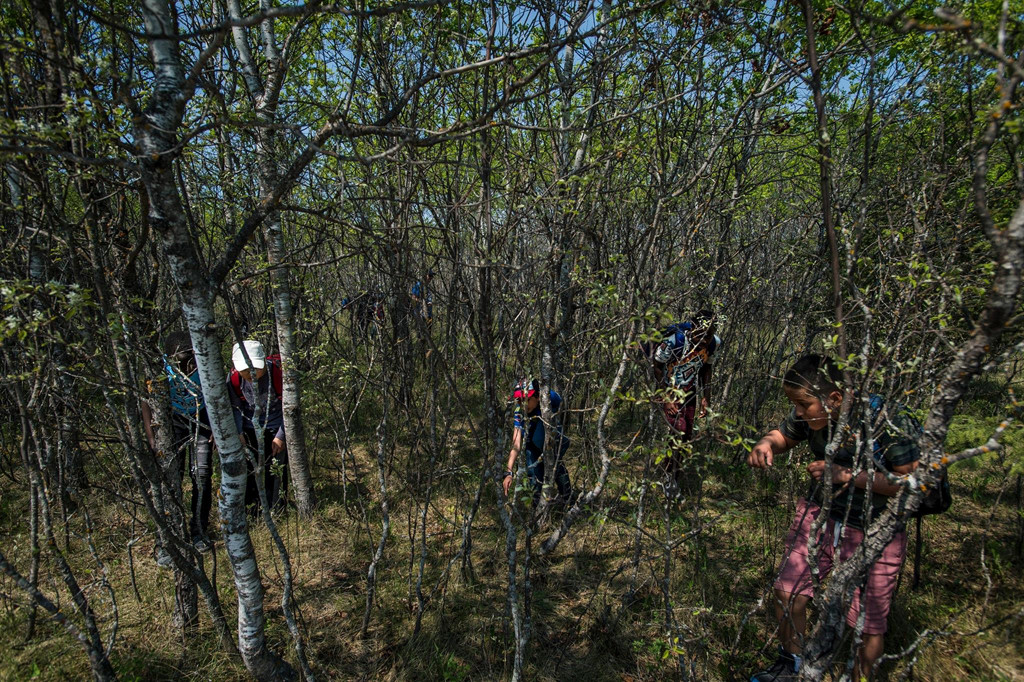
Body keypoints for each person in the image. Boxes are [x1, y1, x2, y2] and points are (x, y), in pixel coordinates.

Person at [747, 354, 920, 681]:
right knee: (787, 591)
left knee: (866, 624)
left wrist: (846, 475)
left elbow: (910, 481)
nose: (798, 411)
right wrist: (766, 443)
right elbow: (785, 434)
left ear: (835, 398)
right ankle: (790, 665)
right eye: (794, 403)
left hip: (876, 530)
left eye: (803, 404)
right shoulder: (812, 414)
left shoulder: (888, 419)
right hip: (819, 516)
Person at [141, 331, 214, 557]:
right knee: (172, 476)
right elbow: (145, 400)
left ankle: (199, 531)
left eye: (188, 360)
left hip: (201, 421)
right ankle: (170, 536)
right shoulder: (160, 369)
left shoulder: (205, 364)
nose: (185, 366)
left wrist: (216, 429)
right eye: (179, 361)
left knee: (201, 475)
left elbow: (216, 395)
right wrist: (151, 436)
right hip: (173, 423)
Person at [647, 310, 722, 494]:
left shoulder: (713, 343)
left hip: (690, 392)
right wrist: (665, 397)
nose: (704, 340)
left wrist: (706, 397)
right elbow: (657, 366)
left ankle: (674, 476)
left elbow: (706, 369)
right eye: (701, 335)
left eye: (709, 335)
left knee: (686, 436)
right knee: (678, 432)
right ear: (693, 328)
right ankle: (669, 478)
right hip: (671, 392)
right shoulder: (674, 341)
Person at [227, 340, 288, 515]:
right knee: (249, 471)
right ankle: (252, 510)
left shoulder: (277, 373)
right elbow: (236, 406)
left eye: (256, 369)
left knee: (275, 470)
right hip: (248, 428)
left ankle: (276, 509)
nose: (252, 374)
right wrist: (239, 432)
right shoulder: (234, 379)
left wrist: (281, 436)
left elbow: (289, 409)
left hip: (275, 428)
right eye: (246, 370)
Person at [502, 379, 574, 505]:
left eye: (526, 400)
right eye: (519, 400)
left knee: (555, 466)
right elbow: (516, 443)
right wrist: (509, 471)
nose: (522, 404)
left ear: (538, 396)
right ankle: (537, 508)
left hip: (551, 441)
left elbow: (560, 410)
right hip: (531, 445)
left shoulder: (550, 398)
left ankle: (568, 500)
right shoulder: (519, 411)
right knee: (533, 474)